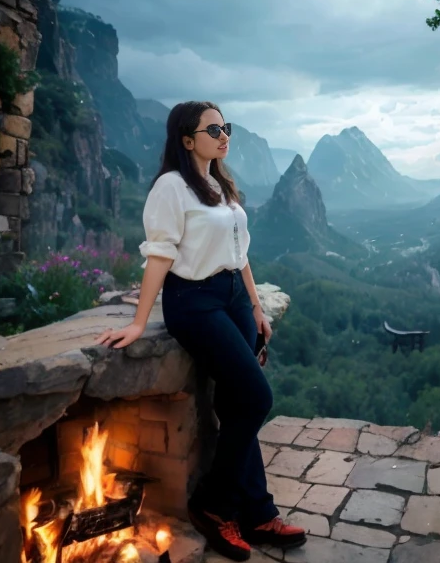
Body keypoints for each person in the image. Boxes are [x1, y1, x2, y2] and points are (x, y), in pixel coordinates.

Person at [96, 100, 305, 561]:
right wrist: (137, 322)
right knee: (256, 398)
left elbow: (240, 253)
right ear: (187, 139)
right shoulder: (171, 187)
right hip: (194, 301)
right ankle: (212, 505)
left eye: (225, 126)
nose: (224, 134)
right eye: (213, 129)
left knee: (236, 406)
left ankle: (257, 511)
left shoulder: (220, 183)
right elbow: (160, 255)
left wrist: (254, 307)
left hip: (231, 296)